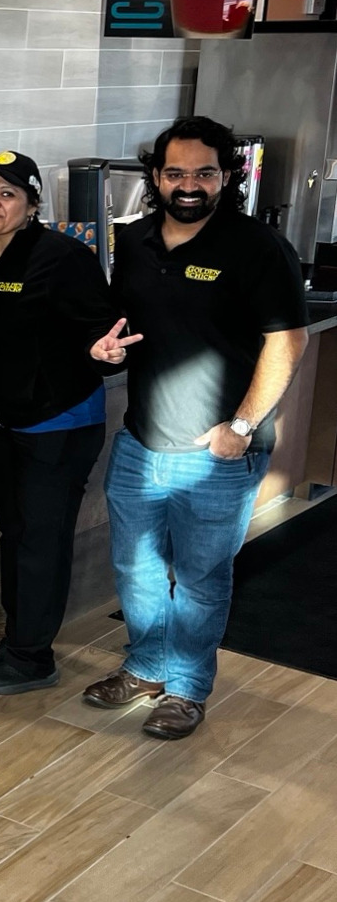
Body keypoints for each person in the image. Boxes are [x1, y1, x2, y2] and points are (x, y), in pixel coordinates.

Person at [84, 116, 307, 740]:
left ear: (225, 176)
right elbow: (123, 321)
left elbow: (287, 342)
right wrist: (104, 347)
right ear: (156, 177)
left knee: (201, 579)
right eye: (176, 173)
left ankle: (185, 688)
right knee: (136, 570)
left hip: (217, 451)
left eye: (204, 173)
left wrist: (241, 424)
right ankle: (147, 666)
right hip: (141, 440)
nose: (189, 185)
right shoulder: (134, 239)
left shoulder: (258, 247)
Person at [0, 150, 115, 695]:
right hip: (5, 424)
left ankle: (33, 657)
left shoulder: (61, 256)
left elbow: (100, 327)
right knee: (16, 535)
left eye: (7, 194)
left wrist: (102, 350)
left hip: (59, 423)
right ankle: (17, 640)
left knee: (41, 541)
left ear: (31, 205)